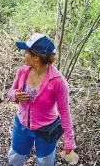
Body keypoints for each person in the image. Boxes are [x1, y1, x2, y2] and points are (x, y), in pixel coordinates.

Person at [7, 33, 77, 165]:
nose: (24, 55)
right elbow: (10, 92)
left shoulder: (58, 81)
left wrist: (69, 140)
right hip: (21, 126)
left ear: (36, 58)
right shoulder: (23, 71)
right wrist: (15, 95)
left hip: (47, 130)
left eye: (27, 52)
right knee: (15, 159)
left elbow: (64, 111)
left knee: (45, 162)